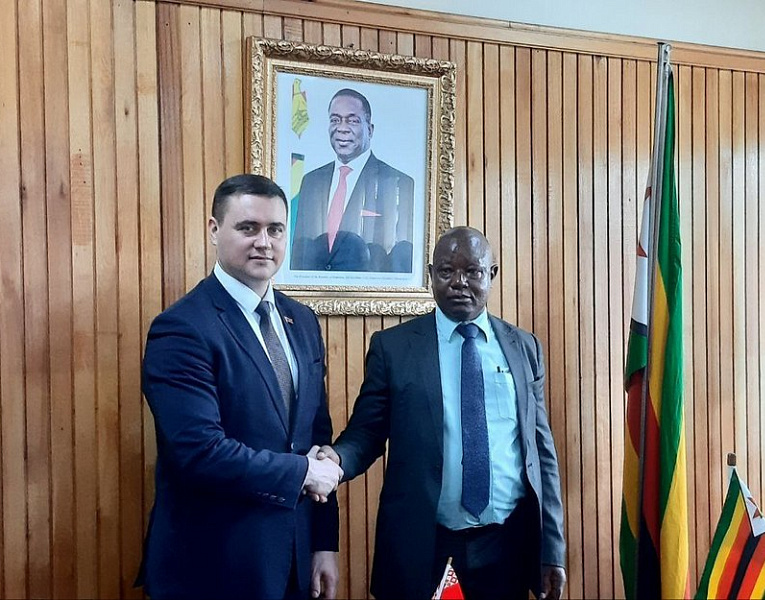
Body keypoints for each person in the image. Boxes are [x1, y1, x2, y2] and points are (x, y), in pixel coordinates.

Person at [318, 226, 567, 600]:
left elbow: (541, 452)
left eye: (473, 271)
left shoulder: (524, 347)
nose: (459, 283)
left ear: (492, 274)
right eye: (447, 271)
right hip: (424, 545)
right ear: (431, 274)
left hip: (507, 545)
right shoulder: (394, 348)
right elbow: (367, 432)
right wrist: (337, 459)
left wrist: (552, 548)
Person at [136, 174, 343, 600]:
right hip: (213, 566)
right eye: (248, 228)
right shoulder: (182, 328)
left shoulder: (302, 321)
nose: (263, 243)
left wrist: (324, 543)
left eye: (275, 230)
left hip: (294, 560)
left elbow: (316, 441)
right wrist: (303, 472)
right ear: (214, 230)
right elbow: (200, 452)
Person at [290, 88, 415, 273]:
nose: (342, 128)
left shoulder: (398, 183)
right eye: (335, 120)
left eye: (352, 121)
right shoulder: (311, 181)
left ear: (370, 130)